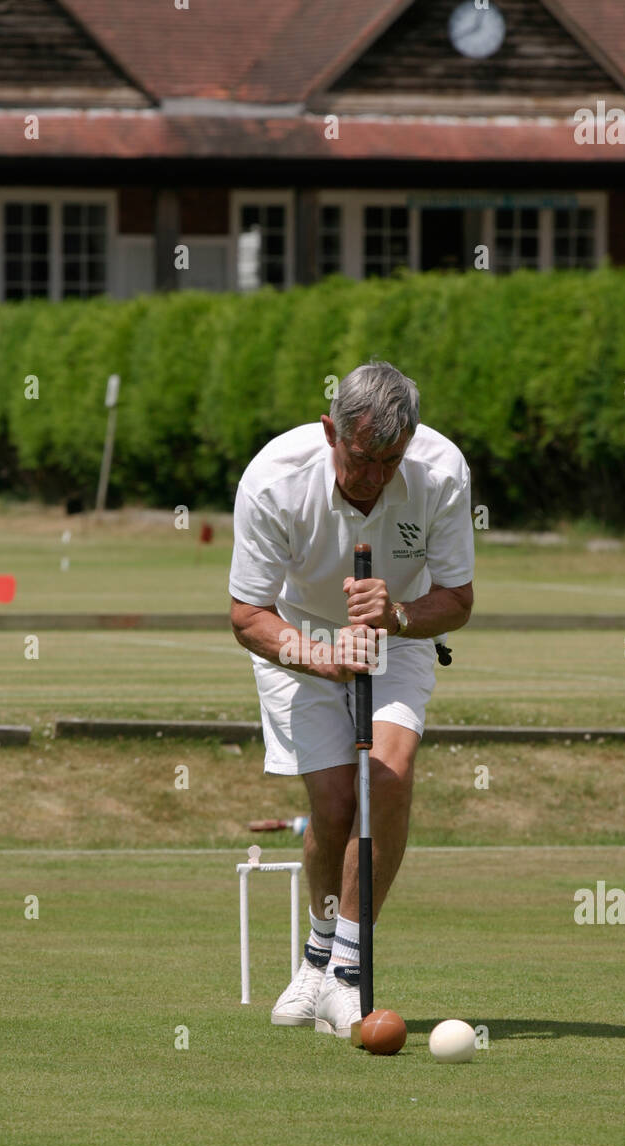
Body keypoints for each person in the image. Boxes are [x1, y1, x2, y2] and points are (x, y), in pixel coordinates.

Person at [228, 360, 474, 1037]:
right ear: (330, 430)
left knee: (386, 778)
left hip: (398, 632)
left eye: (389, 462)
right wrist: (321, 657)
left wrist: (394, 616)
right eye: (360, 458)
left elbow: (455, 601)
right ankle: (315, 952)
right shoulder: (275, 480)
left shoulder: (442, 476)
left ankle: (344, 967)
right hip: (295, 635)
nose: (372, 478)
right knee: (335, 803)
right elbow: (247, 614)